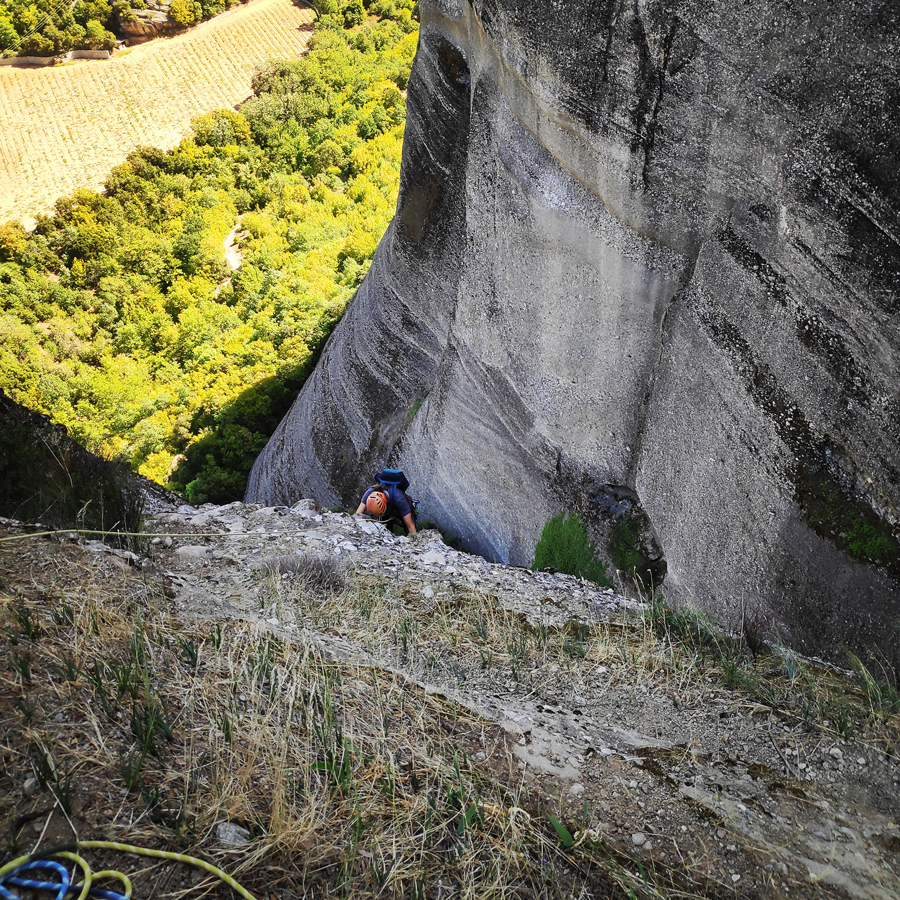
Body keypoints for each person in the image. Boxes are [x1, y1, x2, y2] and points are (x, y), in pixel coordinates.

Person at [355, 470, 417, 534]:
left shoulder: (399, 499)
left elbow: (411, 527)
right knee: (385, 531)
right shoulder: (370, 493)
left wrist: (414, 537)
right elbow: (357, 515)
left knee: (407, 529)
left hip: (398, 510)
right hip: (386, 512)